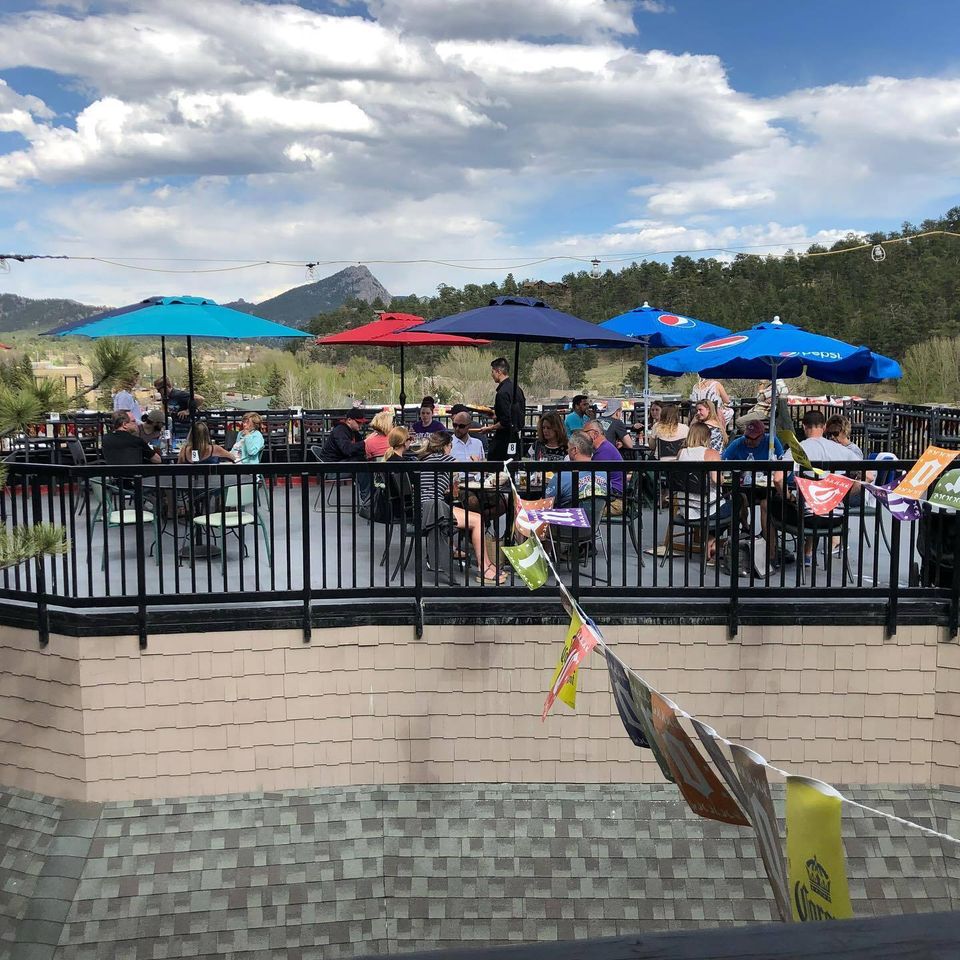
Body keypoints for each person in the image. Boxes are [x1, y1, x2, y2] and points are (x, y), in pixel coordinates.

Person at [418, 431, 506, 584]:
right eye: (450, 446)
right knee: (478, 520)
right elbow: (469, 468)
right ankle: (483, 568)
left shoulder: (426, 460)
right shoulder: (447, 459)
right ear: (446, 446)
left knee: (477, 518)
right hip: (434, 509)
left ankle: (487, 565)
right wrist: (477, 461)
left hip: (425, 508)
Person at [676, 422, 730, 561]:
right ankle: (716, 541)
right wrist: (723, 478)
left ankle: (710, 539)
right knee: (739, 502)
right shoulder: (711, 453)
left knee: (719, 507)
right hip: (707, 508)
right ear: (707, 437)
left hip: (687, 509)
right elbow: (717, 479)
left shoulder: (681, 453)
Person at [482, 357, 525, 461]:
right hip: (516, 438)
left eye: (492, 371)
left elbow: (506, 421)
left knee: (497, 468)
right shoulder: (517, 389)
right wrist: (495, 415)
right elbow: (514, 413)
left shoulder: (502, 393)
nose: (492, 375)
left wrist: (489, 428)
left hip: (504, 440)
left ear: (499, 371)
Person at [582, 419, 625, 513]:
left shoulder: (603, 452)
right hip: (614, 494)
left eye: (585, 433)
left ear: (595, 434)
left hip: (614, 498)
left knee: (581, 509)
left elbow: (591, 478)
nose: (583, 436)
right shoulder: (605, 448)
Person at [545, 430, 597, 508]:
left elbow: (545, 504)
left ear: (574, 450)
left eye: (568, 448)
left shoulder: (560, 478)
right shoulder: (604, 475)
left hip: (564, 519)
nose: (567, 451)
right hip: (594, 519)